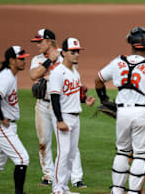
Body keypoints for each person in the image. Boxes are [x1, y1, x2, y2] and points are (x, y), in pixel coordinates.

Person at [95, 26, 145, 194]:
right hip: (142, 114)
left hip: (122, 114)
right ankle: (133, 192)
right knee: (140, 155)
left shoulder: (118, 62)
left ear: (131, 44)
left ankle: (116, 191)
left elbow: (99, 80)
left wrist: (104, 99)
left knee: (122, 151)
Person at [30, 29, 87, 188]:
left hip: (62, 104)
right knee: (44, 142)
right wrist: (49, 61)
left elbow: (72, 77)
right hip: (43, 104)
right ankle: (49, 175)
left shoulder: (66, 55)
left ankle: (76, 178)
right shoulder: (38, 59)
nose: (38, 45)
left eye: (39, 42)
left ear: (49, 41)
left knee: (69, 146)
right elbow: (34, 75)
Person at [49, 37, 95, 194]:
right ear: (64, 53)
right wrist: (60, 120)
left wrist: (84, 100)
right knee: (63, 153)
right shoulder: (57, 72)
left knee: (71, 153)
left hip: (75, 116)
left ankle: (64, 187)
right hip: (64, 116)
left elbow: (74, 95)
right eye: (73, 52)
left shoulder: (75, 72)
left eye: (78, 51)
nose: (76, 54)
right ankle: (57, 189)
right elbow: (54, 98)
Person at [0, 46, 30, 194]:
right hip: (0, 125)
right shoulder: (6, 76)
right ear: (12, 60)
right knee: (22, 159)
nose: (24, 61)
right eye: (21, 59)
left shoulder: (11, 74)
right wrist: (2, 118)